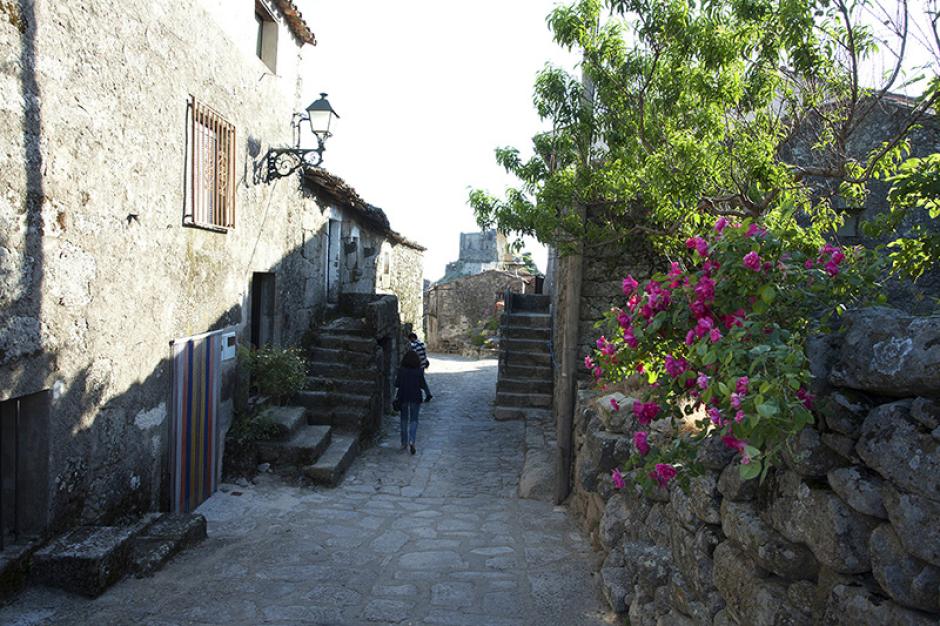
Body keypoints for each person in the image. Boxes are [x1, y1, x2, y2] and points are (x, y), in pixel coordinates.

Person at [395, 350, 423, 455]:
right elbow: (421, 384)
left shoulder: (401, 370)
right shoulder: (419, 371)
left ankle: (403, 442)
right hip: (415, 397)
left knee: (404, 420)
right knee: (414, 420)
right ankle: (412, 440)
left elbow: (396, 384)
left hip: (403, 396)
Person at [408, 332, 432, 402]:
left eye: (410, 339)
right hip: (423, 365)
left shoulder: (413, 345)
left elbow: (413, 355)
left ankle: (421, 396)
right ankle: (428, 394)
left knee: (418, 381)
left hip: (417, 366)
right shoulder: (421, 344)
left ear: (412, 338)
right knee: (421, 380)